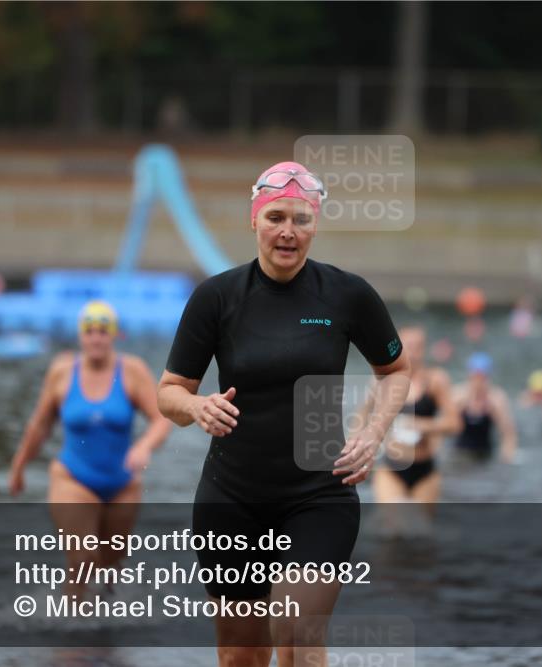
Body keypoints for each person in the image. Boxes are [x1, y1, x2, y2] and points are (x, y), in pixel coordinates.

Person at [156, 161, 411, 667]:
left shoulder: (347, 294)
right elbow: (168, 394)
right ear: (254, 221)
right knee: (240, 658)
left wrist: (373, 431)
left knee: (297, 638)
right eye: (275, 217)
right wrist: (196, 405)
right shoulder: (218, 297)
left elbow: (397, 371)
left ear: (315, 224)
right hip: (232, 496)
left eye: (301, 219)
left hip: (319, 493)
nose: (288, 232)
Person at [8, 300, 172, 594]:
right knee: (83, 560)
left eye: (103, 331)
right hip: (73, 478)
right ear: (81, 335)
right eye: (90, 331)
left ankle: (103, 633)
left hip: (122, 485)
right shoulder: (62, 372)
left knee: (110, 569)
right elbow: (40, 426)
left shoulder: (132, 371)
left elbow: (161, 419)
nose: (96, 337)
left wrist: (144, 446)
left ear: (114, 335)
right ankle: (68, 629)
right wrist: (19, 467)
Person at [367, 326, 462, 510]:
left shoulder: (435, 380)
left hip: (425, 468)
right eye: (407, 346)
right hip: (391, 467)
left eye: (417, 347)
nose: (412, 352)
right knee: (393, 526)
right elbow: (364, 419)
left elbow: (455, 424)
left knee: (421, 531)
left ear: (424, 349)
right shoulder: (382, 380)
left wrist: (422, 425)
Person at [451, 352, 517, 464]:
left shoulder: (496, 398)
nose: (479, 381)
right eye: (475, 377)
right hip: (460, 452)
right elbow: (447, 426)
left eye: (482, 377)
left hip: (485, 453)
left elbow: (508, 433)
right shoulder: (458, 394)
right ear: (469, 375)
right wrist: (462, 406)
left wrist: (507, 457)